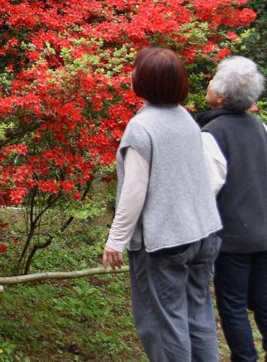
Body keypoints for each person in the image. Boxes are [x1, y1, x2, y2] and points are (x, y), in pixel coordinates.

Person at [102, 46, 223, 361]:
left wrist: (116, 239)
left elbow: (134, 190)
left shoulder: (141, 128)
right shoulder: (185, 118)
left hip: (165, 242)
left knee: (164, 325)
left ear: (144, 80)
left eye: (135, 69)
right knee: (198, 315)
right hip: (203, 232)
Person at [197, 56, 267, 362]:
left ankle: (244, 359)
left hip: (232, 237)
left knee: (234, 304)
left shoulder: (212, 134)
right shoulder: (261, 127)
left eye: (213, 78)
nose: (209, 82)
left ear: (221, 95)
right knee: (264, 301)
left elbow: (207, 189)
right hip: (264, 232)